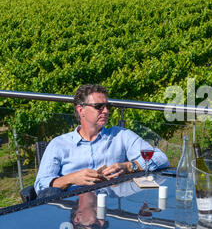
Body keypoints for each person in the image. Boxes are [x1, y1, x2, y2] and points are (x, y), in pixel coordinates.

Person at [34, 84, 170, 196]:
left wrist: (128, 166)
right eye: (99, 107)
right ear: (81, 110)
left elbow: (161, 158)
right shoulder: (59, 144)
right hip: (73, 209)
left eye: (107, 106)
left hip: (115, 210)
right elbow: (40, 185)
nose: (106, 111)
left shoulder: (120, 136)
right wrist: (71, 178)